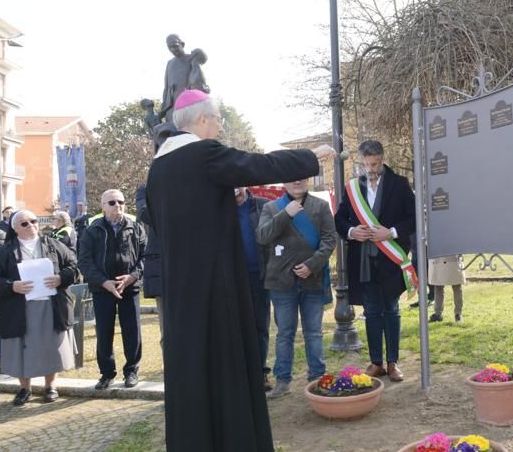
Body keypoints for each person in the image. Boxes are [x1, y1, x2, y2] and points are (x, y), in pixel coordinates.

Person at [144, 89, 328, 452]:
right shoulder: (202, 153)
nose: (218, 127)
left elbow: (164, 219)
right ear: (200, 120)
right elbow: (257, 164)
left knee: (193, 369)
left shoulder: (158, 168)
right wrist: (309, 158)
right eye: (216, 120)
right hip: (216, 285)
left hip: (182, 290)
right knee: (225, 367)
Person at [335, 140, 415, 383]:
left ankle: (393, 363)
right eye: (367, 164)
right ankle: (376, 362)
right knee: (371, 312)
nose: (371, 168)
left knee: (391, 310)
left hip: (390, 260)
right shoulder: (352, 189)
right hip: (363, 261)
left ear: (382, 158)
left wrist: (390, 232)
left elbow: (412, 219)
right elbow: (340, 220)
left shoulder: (399, 184)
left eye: (376, 163)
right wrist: (351, 232)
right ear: (361, 161)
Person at [257, 179, 336, 398]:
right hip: (281, 284)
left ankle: (318, 379)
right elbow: (262, 236)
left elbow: (329, 240)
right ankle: (282, 381)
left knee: (313, 333)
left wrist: (312, 265)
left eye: (302, 177)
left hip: (313, 279)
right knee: (285, 334)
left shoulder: (320, 207)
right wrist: (286, 214)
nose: (298, 182)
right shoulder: (271, 207)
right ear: (285, 183)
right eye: (292, 178)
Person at [0, 210, 79, 405]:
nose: (31, 226)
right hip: (18, 307)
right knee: (21, 348)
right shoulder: (5, 251)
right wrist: (12, 286)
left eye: (33, 221)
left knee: (50, 346)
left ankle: (50, 386)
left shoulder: (53, 245)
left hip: (49, 305)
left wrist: (61, 278)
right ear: (15, 228)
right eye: (24, 223)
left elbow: (74, 267)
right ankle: (24, 388)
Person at [77, 189, 146, 390]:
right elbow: (84, 262)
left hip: (129, 287)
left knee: (132, 331)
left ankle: (131, 371)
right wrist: (104, 282)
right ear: (103, 206)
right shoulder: (93, 230)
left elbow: (146, 256)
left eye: (121, 202)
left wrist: (133, 276)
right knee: (104, 331)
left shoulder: (135, 227)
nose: (118, 206)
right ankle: (107, 373)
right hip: (103, 288)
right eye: (112, 202)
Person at [235, 186, 275, 391]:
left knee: (260, 326)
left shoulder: (262, 206)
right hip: (233, 280)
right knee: (237, 328)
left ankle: (261, 373)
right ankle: (241, 375)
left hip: (259, 276)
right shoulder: (220, 209)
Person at [135, 185, 164, 353]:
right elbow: (146, 213)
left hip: (189, 269)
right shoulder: (146, 191)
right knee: (167, 331)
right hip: (162, 271)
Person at [159, 34, 209, 123]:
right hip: (172, 103)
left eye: (175, 46)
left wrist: (200, 52)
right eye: (170, 47)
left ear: (182, 44)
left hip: (189, 101)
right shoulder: (170, 63)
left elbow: (203, 59)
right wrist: (164, 107)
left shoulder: (192, 58)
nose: (173, 49)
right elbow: (166, 87)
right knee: (173, 129)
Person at [427, 255, 465, 323]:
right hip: (438, 258)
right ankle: (438, 314)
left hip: (453, 257)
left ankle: (458, 314)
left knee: (456, 286)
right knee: (438, 286)